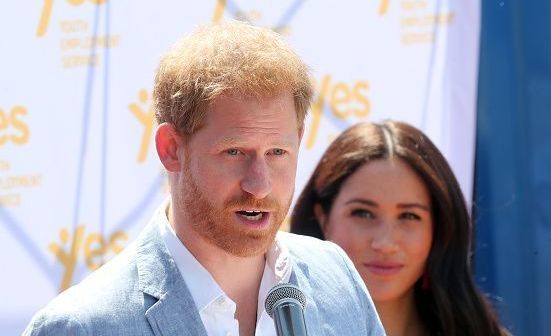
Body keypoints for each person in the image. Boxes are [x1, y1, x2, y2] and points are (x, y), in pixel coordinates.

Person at [24, 21, 384, 336]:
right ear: (171, 149)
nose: (259, 185)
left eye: (277, 152)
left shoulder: (337, 281)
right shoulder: (82, 327)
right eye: (234, 152)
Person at [291, 121, 508, 336]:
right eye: (363, 213)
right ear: (323, 218)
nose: (385, 244)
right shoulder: (272, 327)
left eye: (409, 216)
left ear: (438, 227)